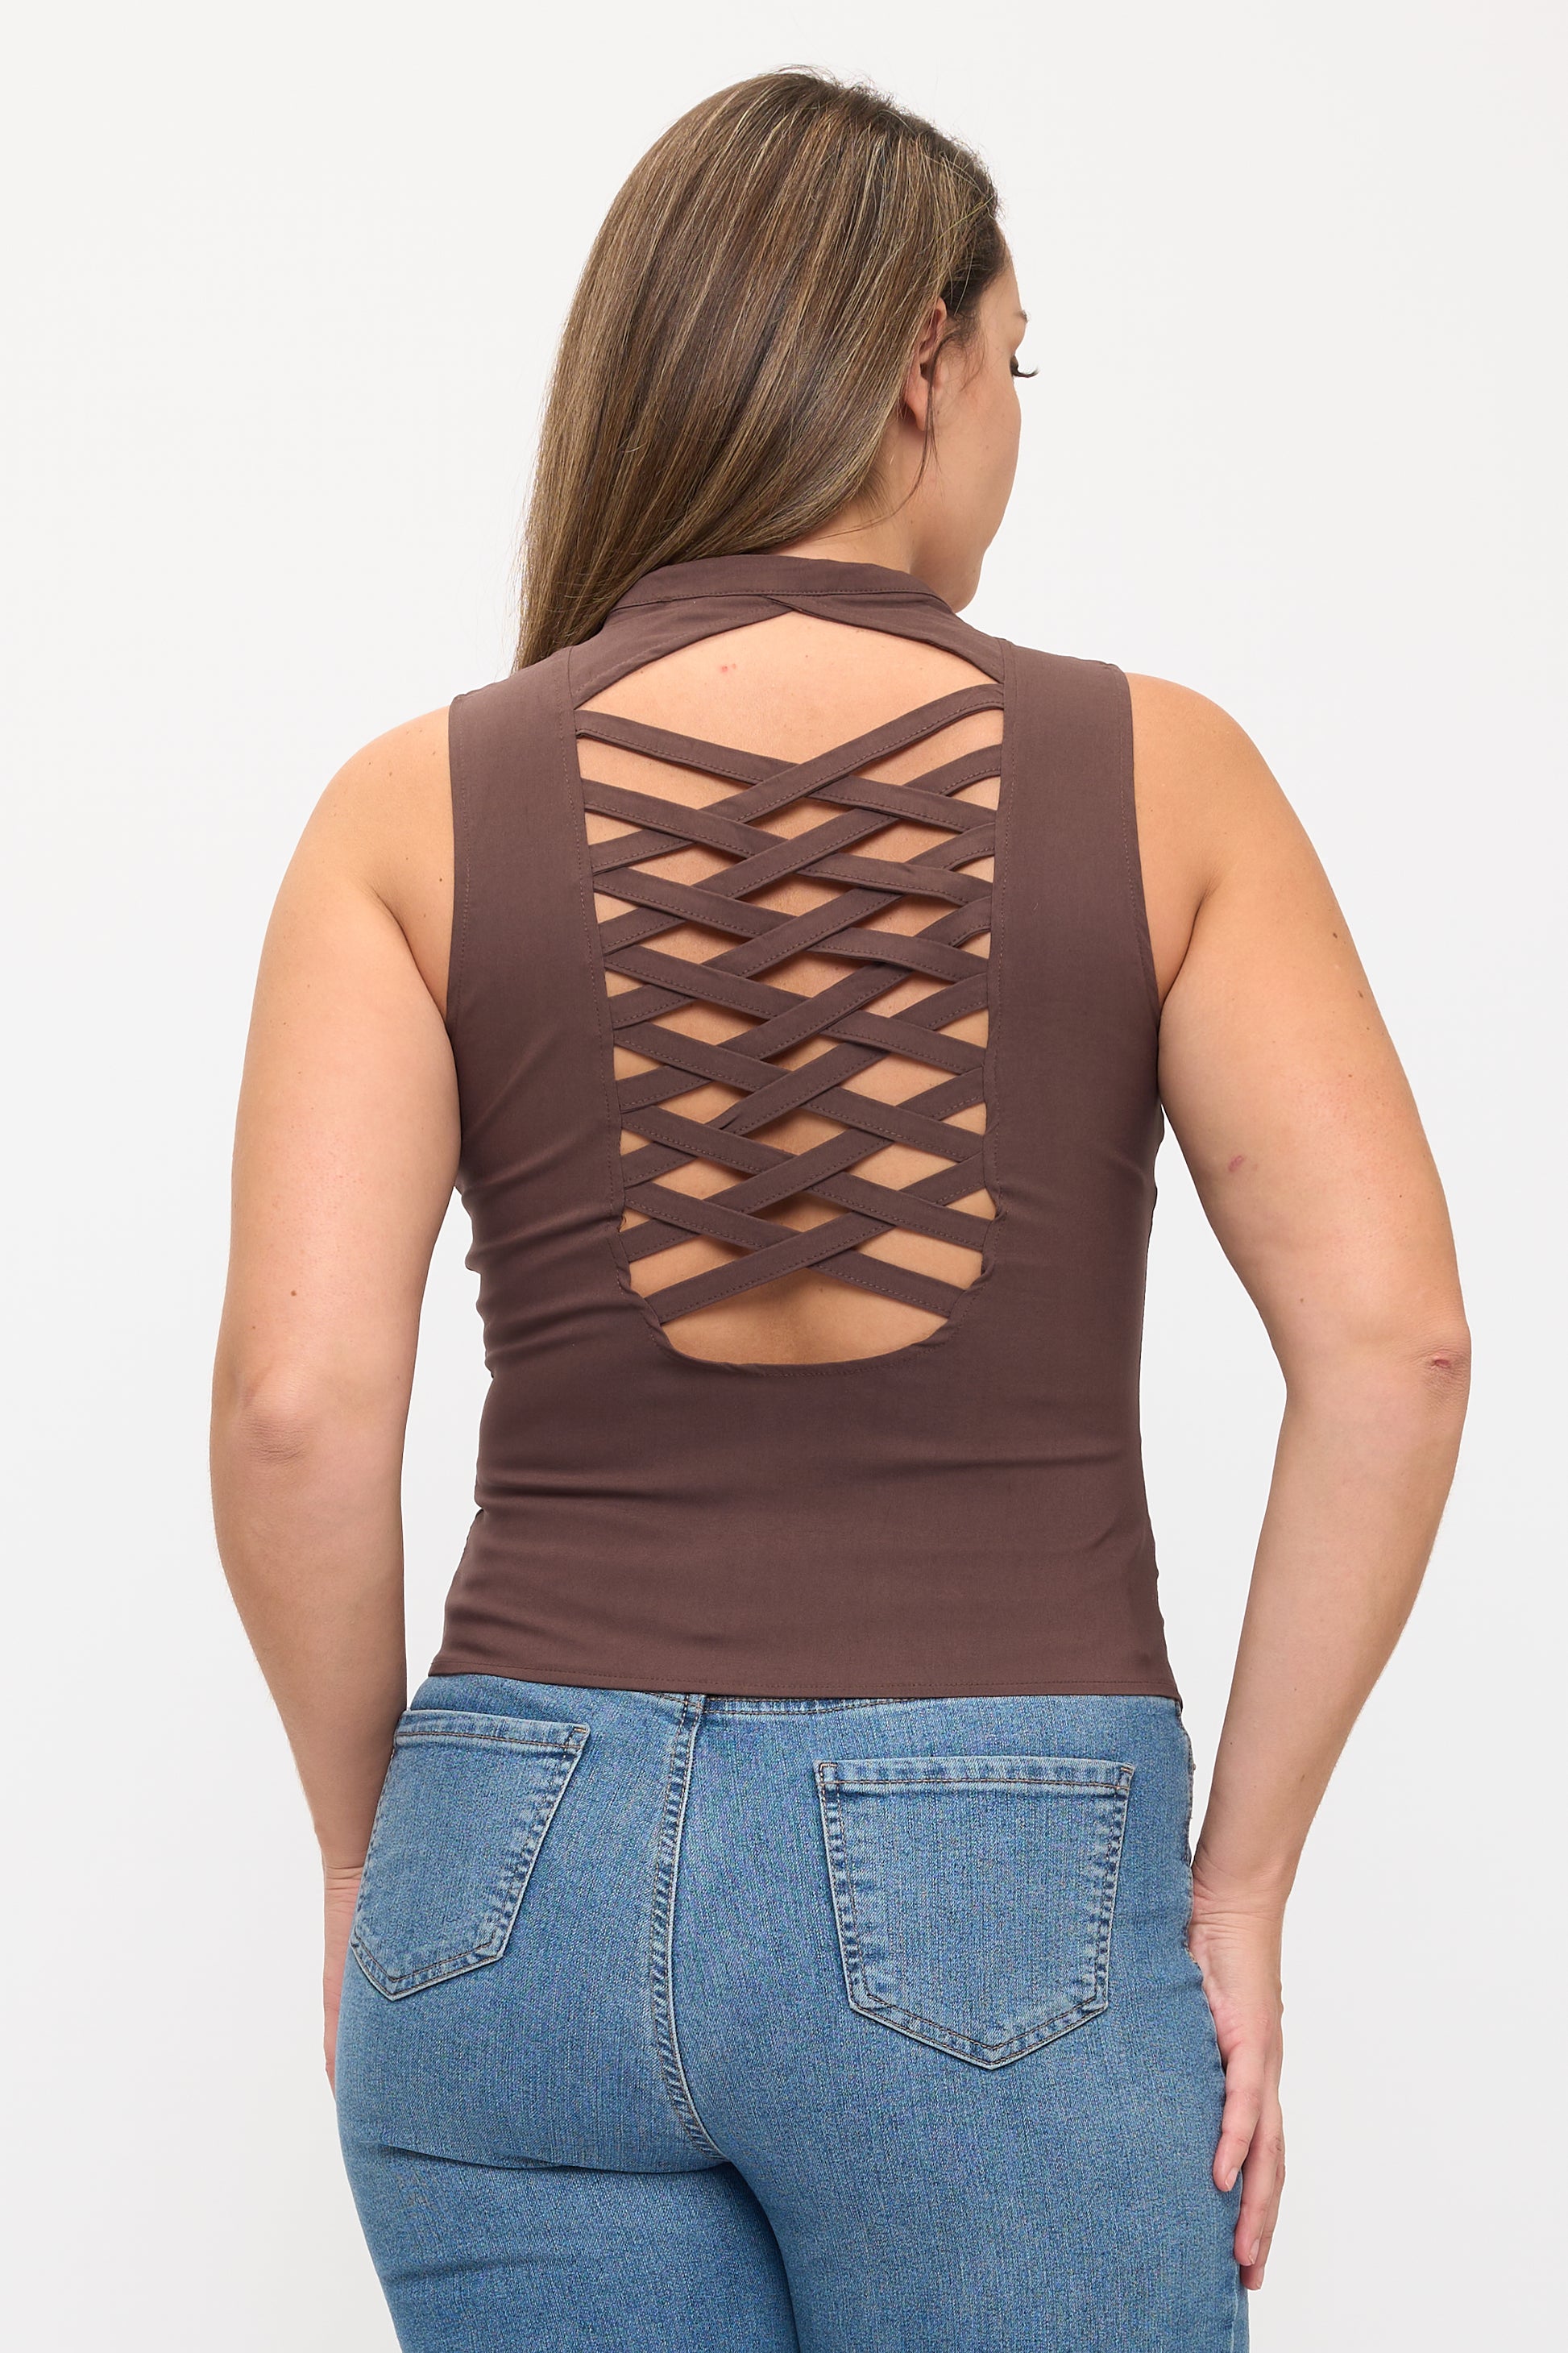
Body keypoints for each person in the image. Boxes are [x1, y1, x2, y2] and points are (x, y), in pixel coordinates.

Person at [210, 68, 1469, 2353]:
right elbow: (1397, 1351)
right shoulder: (1162, 777)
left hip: (506, 1868)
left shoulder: (408, 813)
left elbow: (296, 1406)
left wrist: (363, 1853)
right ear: (919, 362)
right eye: (1018, 365)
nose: (1014, 424)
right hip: (999, 1871)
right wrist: (1245, 1886)